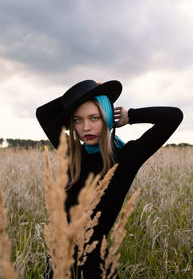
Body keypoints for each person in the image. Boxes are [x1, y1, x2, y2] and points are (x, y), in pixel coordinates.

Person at [36, 80, 183, 279]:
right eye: (78, 120)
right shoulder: (73, 154)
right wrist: (86, 90)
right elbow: (43, 114)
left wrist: (131, 116)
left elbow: (173, 116)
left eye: (94, 118)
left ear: (107, 117)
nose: (86, 127)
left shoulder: (125, 159)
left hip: (94, 266)